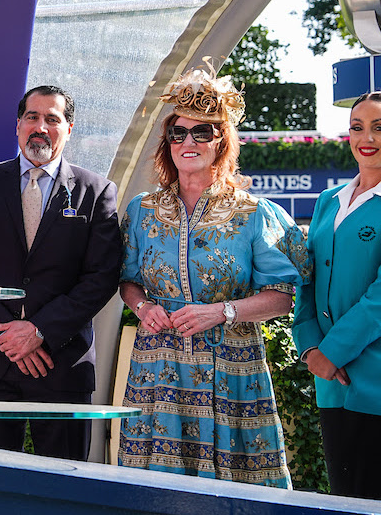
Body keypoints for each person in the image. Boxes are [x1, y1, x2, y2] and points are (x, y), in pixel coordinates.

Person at [118, 67, 304, 488]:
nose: (189, 143)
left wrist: (222, 311)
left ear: (221, 141)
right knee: (155, 491)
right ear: (167, 143)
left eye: (202, 132)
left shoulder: (254, 213)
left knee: (236, 493)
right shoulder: (141, 211)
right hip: (158, 368)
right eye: (178, 134)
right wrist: (142, 306)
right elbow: (127, 280)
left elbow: (282, 296)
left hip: (232, 367)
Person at [0, 85, 121, 461]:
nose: (40, 127)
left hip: (62, 363)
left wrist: (39, 331)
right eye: (32, 117)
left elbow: (102, 276)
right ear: (17, 125)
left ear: (69, 128)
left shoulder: (96, 191)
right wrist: (8, 337)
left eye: (52, 118)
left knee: (65, 487)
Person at [295, 91, 381, 498]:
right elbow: (307, 281)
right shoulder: (329, 201)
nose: (368, 137)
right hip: (330, 379)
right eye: (358, 127)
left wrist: (333, 352)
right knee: (345, 497)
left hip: (374, 376)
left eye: (380, 127)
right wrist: (310, 348)